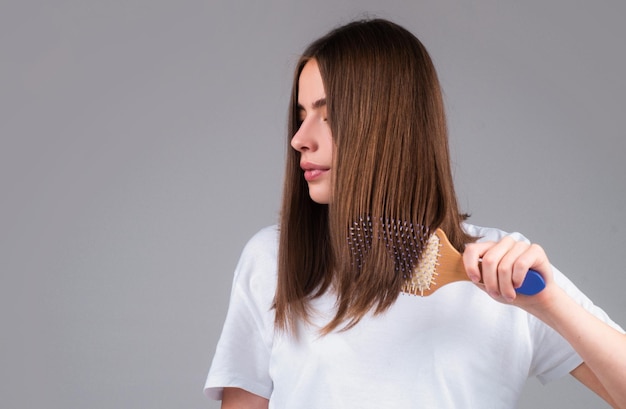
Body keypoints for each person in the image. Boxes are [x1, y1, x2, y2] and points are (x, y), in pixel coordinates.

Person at [205, 19, 626, 408]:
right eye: (300, 116)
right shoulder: (272, 260)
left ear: (389, 127)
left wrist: (551, 305)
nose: (299, 139)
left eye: (328, 116)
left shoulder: (501, 270)